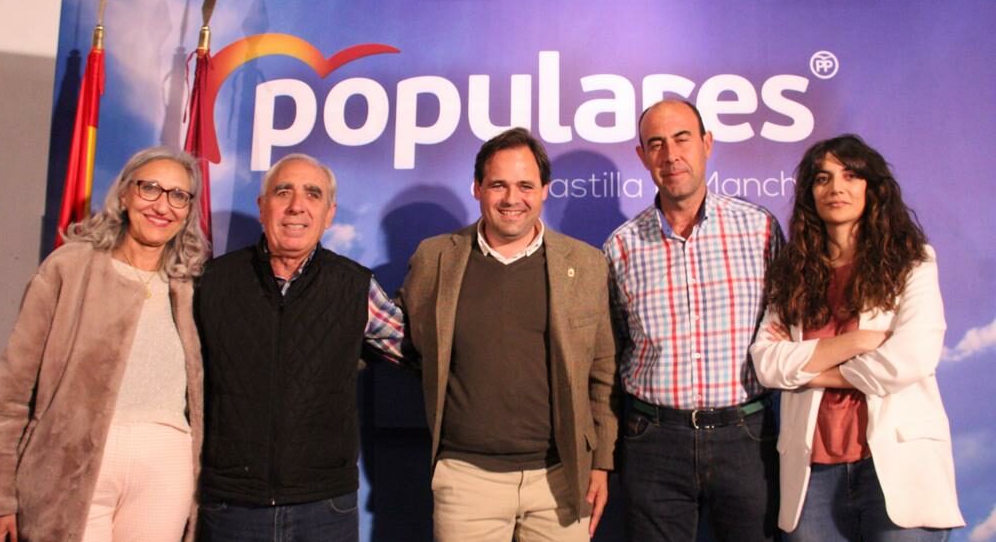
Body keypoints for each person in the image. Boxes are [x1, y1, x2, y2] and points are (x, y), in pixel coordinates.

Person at [0, 147, 209, 542]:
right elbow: (10, 393)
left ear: (187, 211)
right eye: (150, 188)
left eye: (178, 195)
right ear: (124, 194)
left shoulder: (194, 287)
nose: (162, 205)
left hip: (164, 467)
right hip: (67, 465)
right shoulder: (69, 269)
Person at [398, 127, 618, 541]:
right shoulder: (434, 258)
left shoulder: (587, 264)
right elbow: (407, 339)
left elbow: (603, 369)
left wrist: (602, 461)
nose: (512, 198)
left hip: (561, 479)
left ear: (545, 190)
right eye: (498, 184)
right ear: (477, 188)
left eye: (525, 186)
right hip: (466, 479)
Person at [750, 134, 964, 540]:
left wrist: (811, 370)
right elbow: (768, 364)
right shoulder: (791, 273)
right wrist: (857, 342)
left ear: (872, 187)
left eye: (850, 175)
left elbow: (909, 359)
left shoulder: (913, 263)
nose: (836, 188)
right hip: (813, 473)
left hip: (897, 467)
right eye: (823, 178)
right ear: (810, 193)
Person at [195, 154, 410, 542]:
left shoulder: (354, 287)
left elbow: (425, 352)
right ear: (262, 207)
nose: (297, 205)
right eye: (283, 192)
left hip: (325, 507)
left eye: (313, 194)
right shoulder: (212, 282)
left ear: (329, 214)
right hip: (232, 506)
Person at [604, 99, 784, 541]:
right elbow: (613, 348)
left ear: (707, 143)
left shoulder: (759, 229)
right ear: (642, 156)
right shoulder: (620, 248)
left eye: (682, 139)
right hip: (653, 440)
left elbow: (786, 331)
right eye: (656, 144)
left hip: (746, 436)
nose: (671, 155)